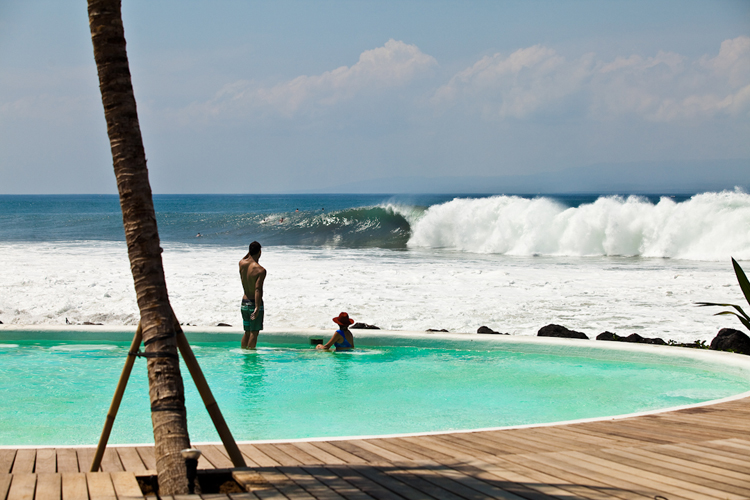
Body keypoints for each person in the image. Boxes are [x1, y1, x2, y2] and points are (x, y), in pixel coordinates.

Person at [239, 241, 266, 349]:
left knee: (247, 331)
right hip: (254, 303)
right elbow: (257, 289)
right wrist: (257, 308)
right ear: (260, 252)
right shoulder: (260, 270)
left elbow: (246, 257)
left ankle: (244, 353)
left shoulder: (241, 263)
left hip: (244, 303)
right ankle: (251, 359)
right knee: (254, 333)